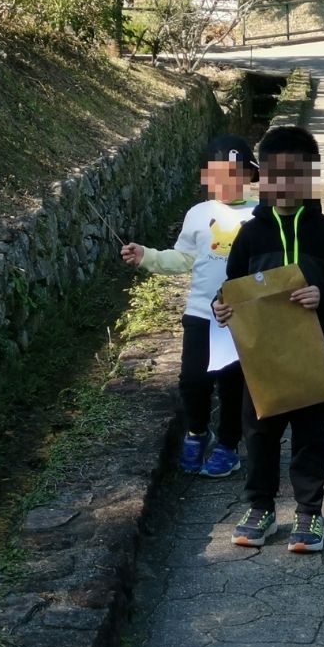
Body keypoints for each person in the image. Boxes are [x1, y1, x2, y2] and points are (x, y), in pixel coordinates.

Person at [213, 125, 324, 552]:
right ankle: (259, 508)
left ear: (310, 176)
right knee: (259, 437)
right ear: (263, 177)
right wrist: (220, 307)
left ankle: (309, 513)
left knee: (310, 438)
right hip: (261, 363)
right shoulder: (251, 235)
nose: (285, 184)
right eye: (276, 174)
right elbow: (231, 287)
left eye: (296, 174)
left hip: (313, 356)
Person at [121, 135, 257, 478]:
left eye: (235, 173)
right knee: (193, 380)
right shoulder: (198, 214)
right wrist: (147, 256)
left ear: (249, 175)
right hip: (200, 314)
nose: (227, 182)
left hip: (242, 316)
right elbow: (182, 258)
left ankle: (228, 445)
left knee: (234, 385)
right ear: (206, 176)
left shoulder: (260, 213)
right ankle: (197, 432)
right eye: (218, 173)